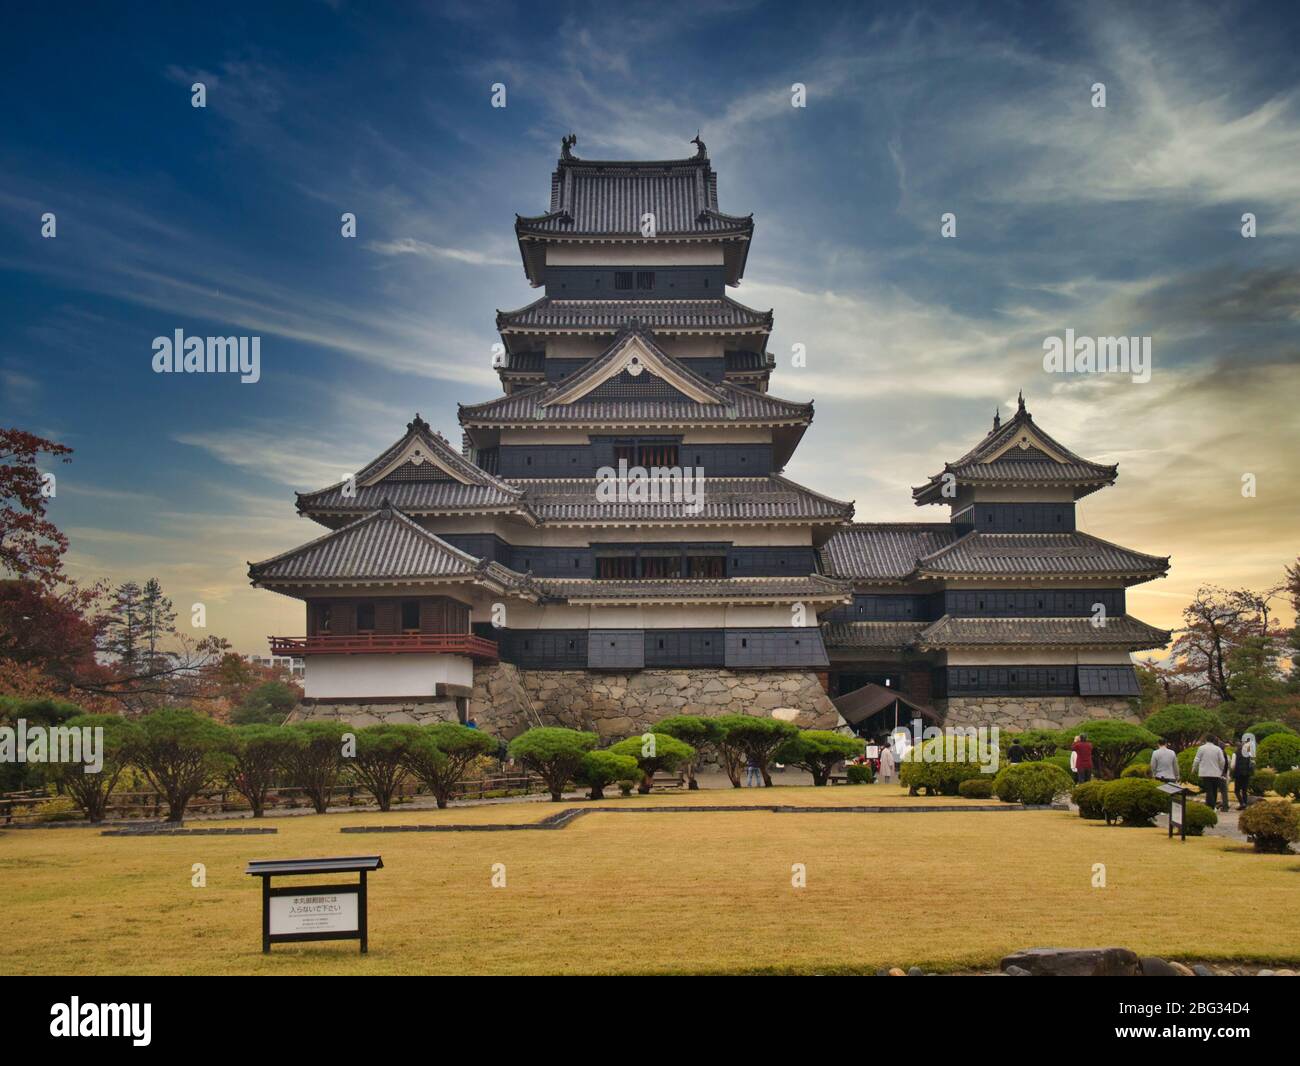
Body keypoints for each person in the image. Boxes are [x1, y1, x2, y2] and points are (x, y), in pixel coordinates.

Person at [1192, 735, 1229, 812]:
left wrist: (1194, 769)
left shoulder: (1201, 748)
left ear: (1206, 739)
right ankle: (1212, 806)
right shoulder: (1218, 749)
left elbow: (1197, 759)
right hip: (1216, 772)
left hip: (1205, 772)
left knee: (1209, 790)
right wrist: (1221, 769)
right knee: (1214, 789)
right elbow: (1222, 761)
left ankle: (1211, 806)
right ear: (1214, 740)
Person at [1230, 741, 1254, 811]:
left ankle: (1241, 803)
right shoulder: (1248, 753)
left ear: (1236, 747)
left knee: (1237, 790)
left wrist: (1232, 770)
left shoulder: (1235, 753)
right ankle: (1245, 804)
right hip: (1246, 774)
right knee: (1244, 790)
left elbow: (1232, 765)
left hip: (1238, 774)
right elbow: (1251, 763)